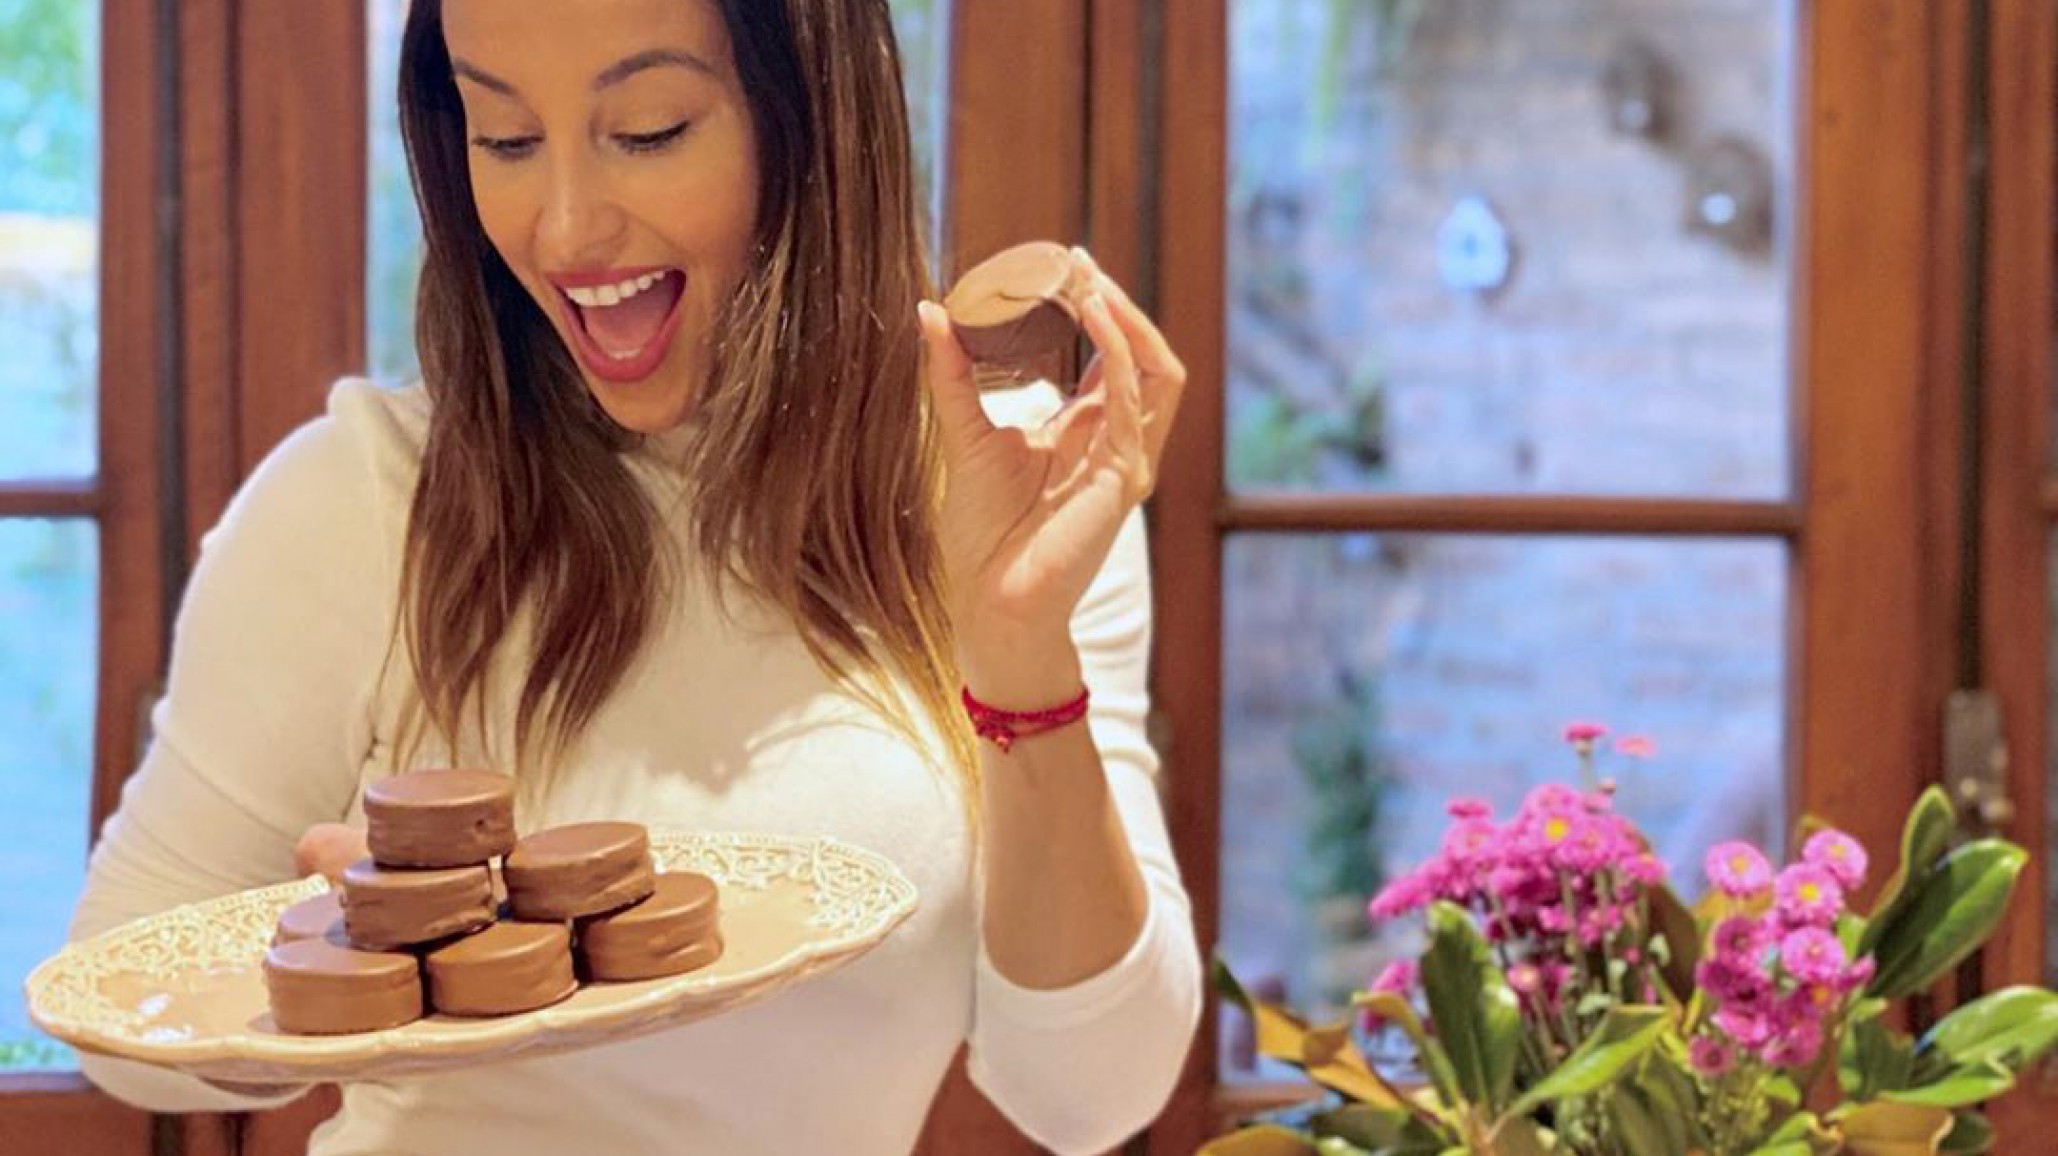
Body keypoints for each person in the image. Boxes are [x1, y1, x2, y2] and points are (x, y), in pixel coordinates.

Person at [65, 1, 1199, 1153]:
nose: (564, 229)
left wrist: (1019, 649)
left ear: (813, 120)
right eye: (505, 138)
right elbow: (119, 1014)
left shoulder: (1001, 483)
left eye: (648, 130)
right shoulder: (365, 495)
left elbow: (1089, 1094)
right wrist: (377, 955)